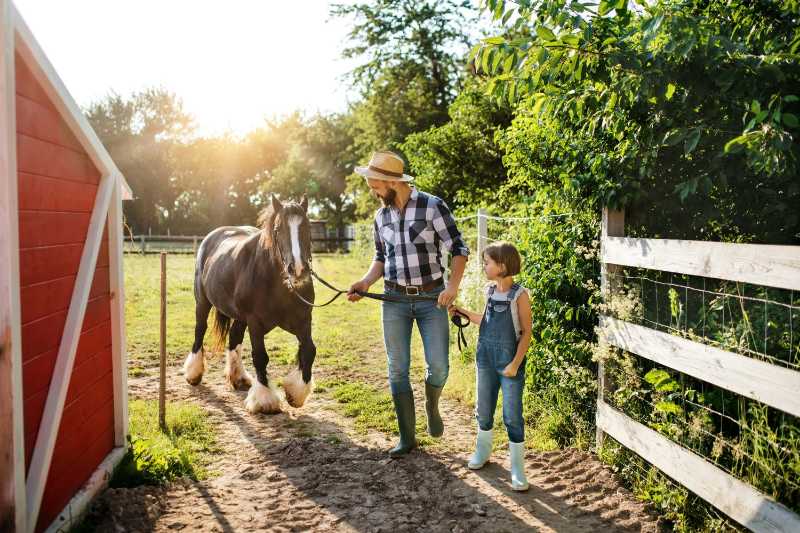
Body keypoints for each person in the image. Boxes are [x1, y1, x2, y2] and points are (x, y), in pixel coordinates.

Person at [347, 150, 469, 457]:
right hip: (394, 300)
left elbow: (458, 248)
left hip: (432, 299)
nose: (371, 190)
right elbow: (380, 258)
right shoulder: (381, 216)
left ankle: (432, 404)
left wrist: (452, 286)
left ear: (391, 182)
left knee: (439, 366)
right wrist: (364, 283)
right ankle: (407, 437)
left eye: (374, 183)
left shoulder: (432, 206)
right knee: (397, 368)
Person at [449, 241, 532, 491]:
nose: (484, 266)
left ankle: (517, 468)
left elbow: (527, 333)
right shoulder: (488, 291)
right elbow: (484, 320)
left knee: (512, 415)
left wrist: (515, 364)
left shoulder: (520, 295)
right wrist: (461, 312)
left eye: (487, 262)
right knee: (483, 409)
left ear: (502, 266)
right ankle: (482, 452)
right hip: (485, 358)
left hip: (510, 364)